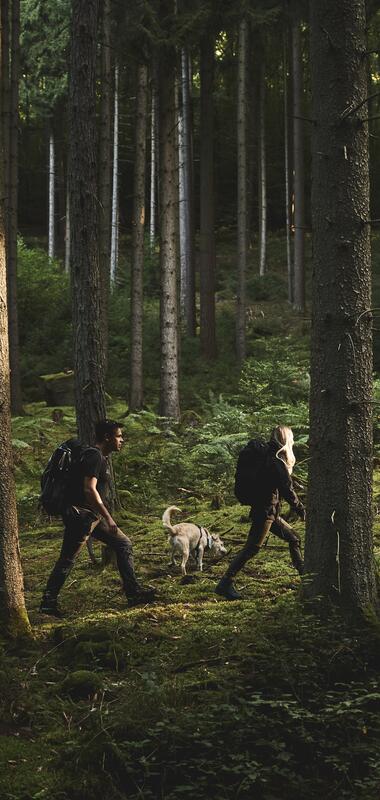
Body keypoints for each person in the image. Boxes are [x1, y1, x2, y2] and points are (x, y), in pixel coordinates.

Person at [39, 418, 156, 617]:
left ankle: (133, 593)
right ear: (107, 437)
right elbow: (89, 489)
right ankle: (48, 603)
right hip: (81, 517)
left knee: (123, 544)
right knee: (67, 559)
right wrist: (109, 518)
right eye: (119, 436)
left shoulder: (95, 456)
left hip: (88, 517)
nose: (122, 440)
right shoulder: (94, 456)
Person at [215, 425, 305, 601]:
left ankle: (306, 578)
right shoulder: (276, 462)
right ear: (286, 440)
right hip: (265, 514)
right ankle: (225, 583)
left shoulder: (267, 458)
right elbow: (287, 490)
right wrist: (301, 510)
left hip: (269, 513)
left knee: (294, 538)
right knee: (251, 548)